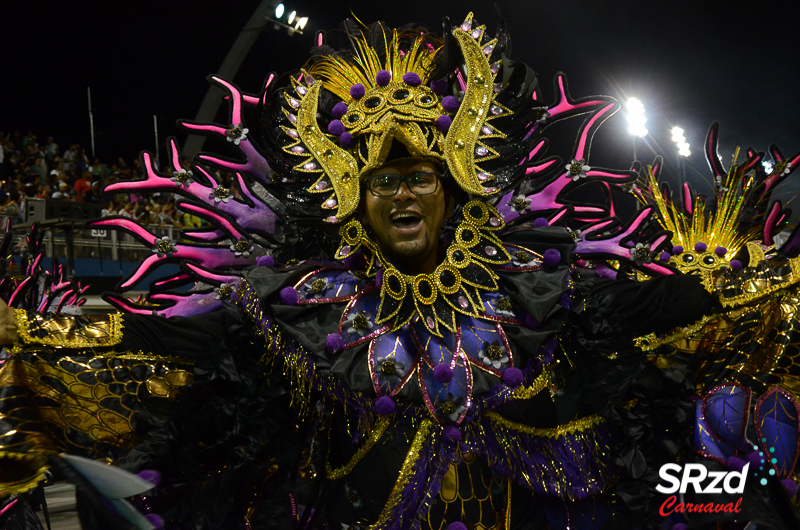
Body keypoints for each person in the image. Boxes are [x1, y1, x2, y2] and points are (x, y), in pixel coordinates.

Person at [1, 13, 799, 530]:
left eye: (419, 176)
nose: (403, 193)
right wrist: (49, 338)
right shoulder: (304, 304)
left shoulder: (535, 283)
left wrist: (764, 290)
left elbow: (658, 308)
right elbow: (182, 348)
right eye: (383, 180)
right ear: (355, 199)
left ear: (452, 188)